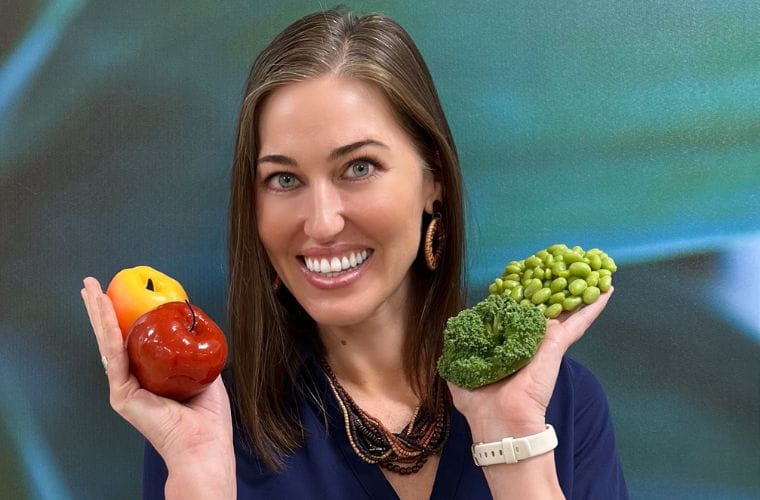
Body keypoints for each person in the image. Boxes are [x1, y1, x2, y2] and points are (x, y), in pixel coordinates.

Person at [81, 7, 628, 499]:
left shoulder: (562, 402)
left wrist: (511, 441)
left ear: (432, 178)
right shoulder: (203, 429)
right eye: (284, 178)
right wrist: (203, 480)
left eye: (359, 167)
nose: (321, 222)